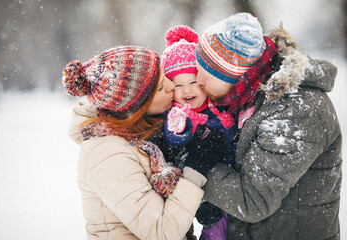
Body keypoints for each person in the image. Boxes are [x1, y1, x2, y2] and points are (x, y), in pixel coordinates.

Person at [192, 13, 342, 239]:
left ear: (235, 75)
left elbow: (252, 201)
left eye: (206, 75)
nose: (198, 82)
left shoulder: (297, 110)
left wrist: (195, 167)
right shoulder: (247, 96)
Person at [62, 46, 219, 240]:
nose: (172, 86)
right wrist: (196, 168)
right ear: (136, 106)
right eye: (161, 87)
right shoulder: (107, 154)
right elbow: (162, 232)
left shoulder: (143, 135)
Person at [160, 25, 241, 240]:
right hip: (197, 184)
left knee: (225, 230)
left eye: (193, 82)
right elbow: (175, 142)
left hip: (228, 180)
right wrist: (179, 129)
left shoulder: (217, 105)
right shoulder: (177, 114)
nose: (187, 90)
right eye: (178, 85)